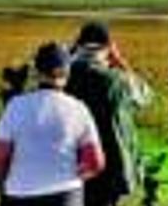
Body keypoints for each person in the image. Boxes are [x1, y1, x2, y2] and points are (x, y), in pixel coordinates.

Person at [0, 42, 105, 206]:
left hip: (20, 193)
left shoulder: (16, 106)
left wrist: (11, 180)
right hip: (66, 194)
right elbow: (96, 162)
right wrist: (73, 176)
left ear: (37, 72)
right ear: (67, 72)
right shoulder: (79, 108)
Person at [65, 22, 152, 206]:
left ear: (79, 45)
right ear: (108, 48)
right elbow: (145, 97)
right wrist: (120, 62)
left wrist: (68, 56)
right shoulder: (116, 80)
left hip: (71, 161)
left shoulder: (63, 77)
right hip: (109, 164)